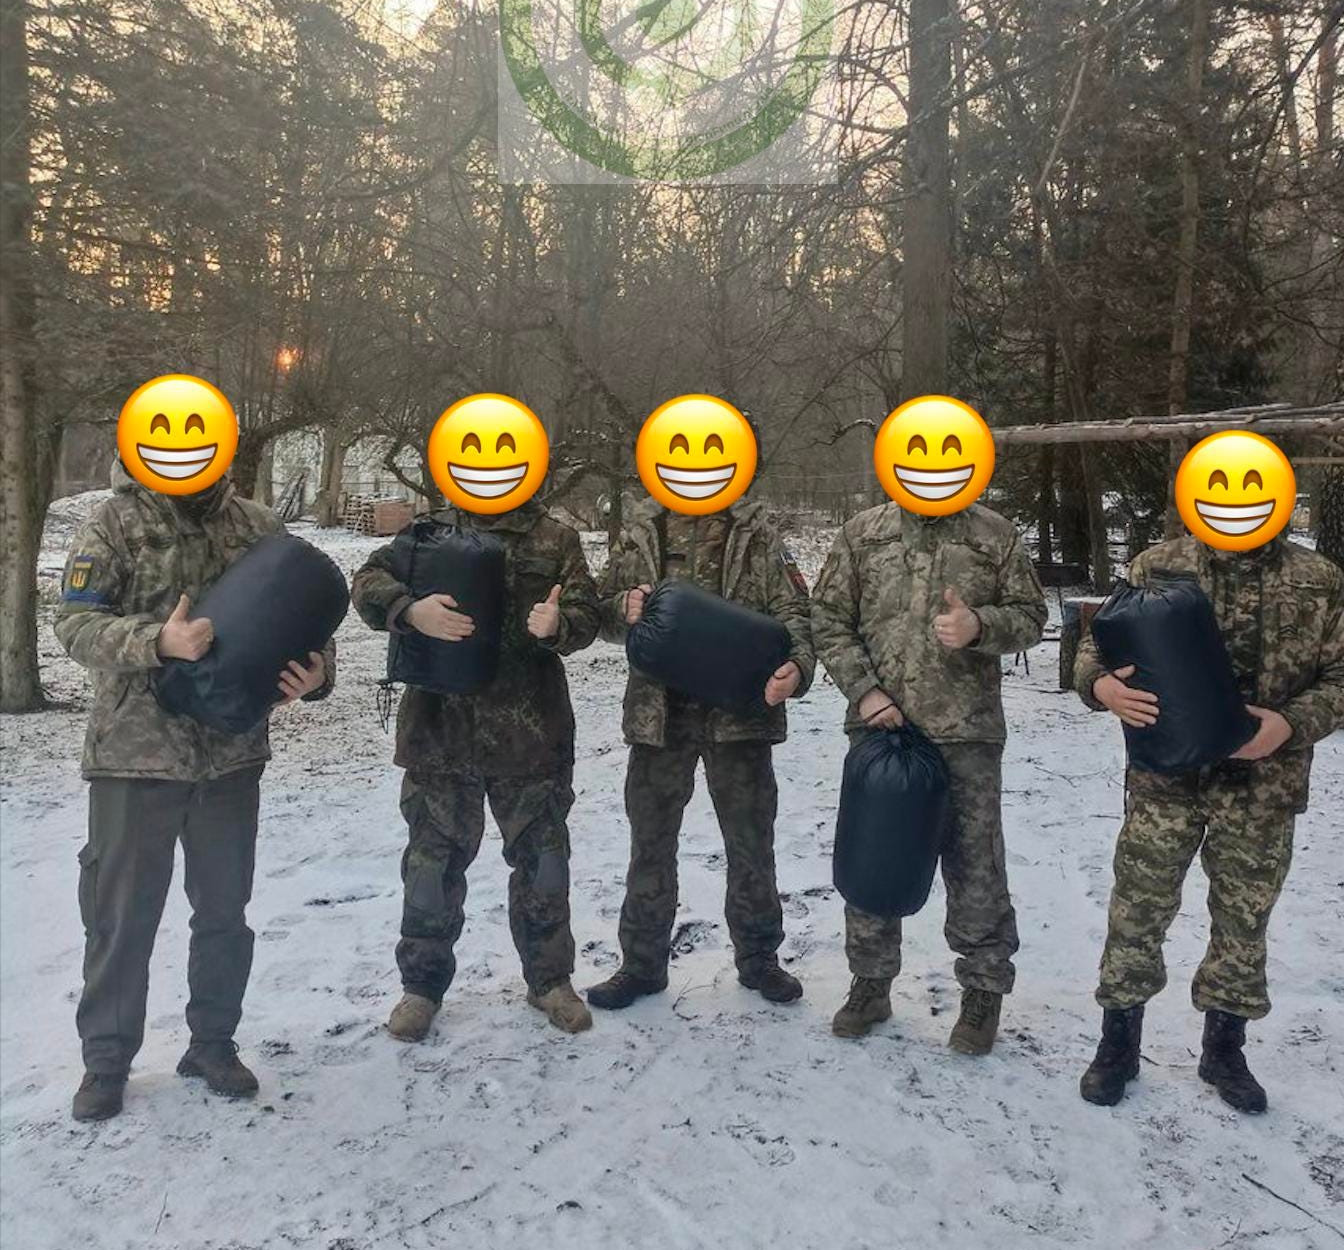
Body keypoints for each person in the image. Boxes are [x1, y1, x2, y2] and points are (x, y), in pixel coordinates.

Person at [56, 458, 334, 1122]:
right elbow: (74, 626)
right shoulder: (114, 522)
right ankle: (107, 1060)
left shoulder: (260, 527)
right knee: (122, 918)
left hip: (230, 760)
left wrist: (317, 676)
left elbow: (305, 628)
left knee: (223, 914)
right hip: (135, 755)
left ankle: (212, 1044)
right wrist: (159, 640)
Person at [1073, 532, 1344, 1112]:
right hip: (1166, 782)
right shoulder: (1158, 564)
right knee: (1138, 910)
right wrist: (1101, 686)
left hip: (1264, 786)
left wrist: (1288, 725)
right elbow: (1096, 647)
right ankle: (1118, 1044)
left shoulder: (1316, 577)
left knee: (1243, 919)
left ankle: (1225, 1050)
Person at [352, 497, 600, 1039]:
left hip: (531, 733)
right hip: (440, 732)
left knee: (544, 865)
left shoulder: (555, 538)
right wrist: (409, 609)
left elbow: (588, 616)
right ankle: (421, 987)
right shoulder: (426, 533)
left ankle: (550, 981)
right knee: (430, 868)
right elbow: (366, 580)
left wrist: (560, 624)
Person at [811, 502, 1046, 1050]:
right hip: (881, 726)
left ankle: (983, 991)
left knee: (976, 862)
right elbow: (827, 617)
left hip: (968, 731)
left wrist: (979, 625)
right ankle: (870, 981)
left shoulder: (995, 534)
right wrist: (865, 690)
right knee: (875, 855)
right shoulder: (862, 533)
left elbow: (1032, 617)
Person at [588, 496, 815, 1009]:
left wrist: (798, 667)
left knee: (751, 844)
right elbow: (598, 612)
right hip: (658, 717)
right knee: (649, 844)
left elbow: (796, 613)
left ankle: (760, 960)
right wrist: (621, 608)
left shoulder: (757, 532)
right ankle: (642, 966)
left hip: (741, 717)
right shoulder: (640, 532)